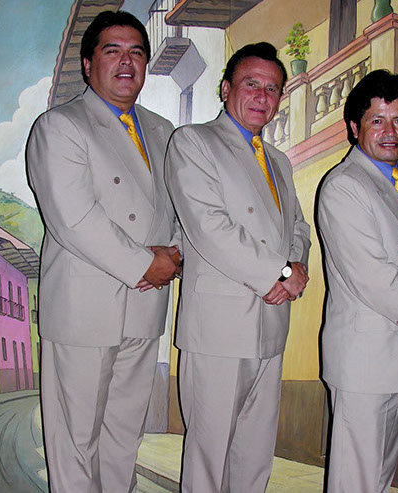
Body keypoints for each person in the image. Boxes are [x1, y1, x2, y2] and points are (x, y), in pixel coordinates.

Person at [26, 10, 181, 493]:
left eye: (136, 52)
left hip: (144, 304)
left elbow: (181, 209)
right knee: (75, 442)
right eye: (112, 51)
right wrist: (146, 263)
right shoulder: (60, 125)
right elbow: (73, 218)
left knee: (123, 440)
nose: (126, 62)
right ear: (88, 62)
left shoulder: (163, 131)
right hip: (84, 309)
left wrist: (174, 256)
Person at [165, 42, 311, 493]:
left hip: (272, 321)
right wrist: (279, 274)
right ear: (226, 88)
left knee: (255, 454)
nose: (262, 97)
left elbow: (298, 227)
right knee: (209, 459)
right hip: (219, 327)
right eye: (251, 84)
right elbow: (210, 228)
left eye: (273, 88)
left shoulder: (279, 161)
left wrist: (296, 267)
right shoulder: (194, 142)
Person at [317, 69, 398, 493]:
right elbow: (372, 274)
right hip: (364, 359)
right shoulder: (345, 186)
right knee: (356, 481)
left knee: (378, 479)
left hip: (396, 353)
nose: (390, 132)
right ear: (355, 128)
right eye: (377, 120)